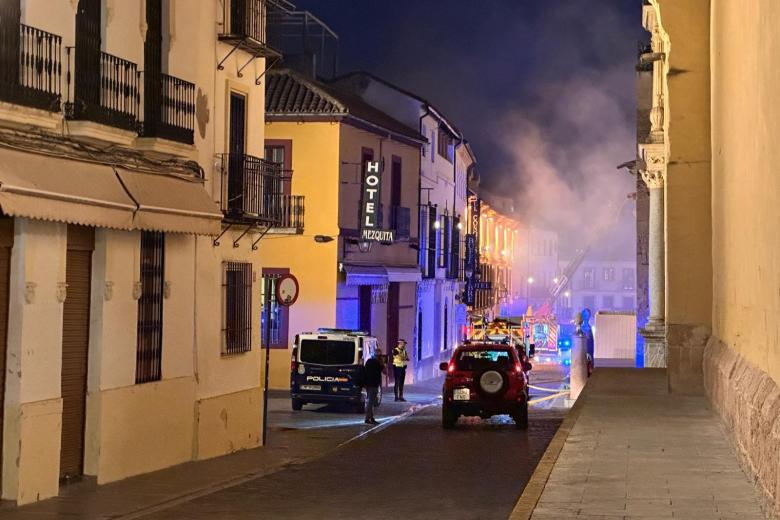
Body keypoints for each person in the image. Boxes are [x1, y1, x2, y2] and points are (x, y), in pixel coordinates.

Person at [363, 349, 383, 425]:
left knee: (370, 401)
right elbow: (382, 369)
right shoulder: (377, 362)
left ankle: (370, 417)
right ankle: (368, 418)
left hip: (369, 384)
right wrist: (381, 361)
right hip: (373, 384)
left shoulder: (368, 361)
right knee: (371, 402)